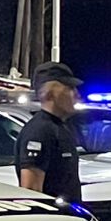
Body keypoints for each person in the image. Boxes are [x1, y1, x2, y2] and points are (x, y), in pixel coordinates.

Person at [15, 61, 84, 202]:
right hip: (53, 215)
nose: (76, 94)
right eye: (69, 88)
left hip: (66, 214)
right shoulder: (40, 131)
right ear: (49, 94)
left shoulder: (59, 127)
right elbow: (31, 191)